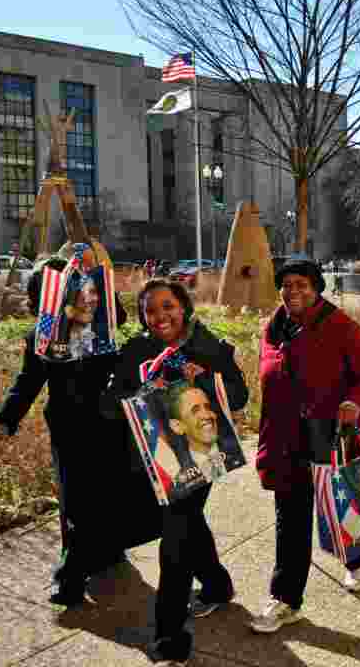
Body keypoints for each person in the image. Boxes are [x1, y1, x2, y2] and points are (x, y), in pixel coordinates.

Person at [105, 279, 248, 665]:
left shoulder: (209, 346)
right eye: (151, 311)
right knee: (186, 524)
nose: (160, 317)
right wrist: (141, 389)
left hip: (202, 455)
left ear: (183, 306)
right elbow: (111, 399)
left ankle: (170, 639)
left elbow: (238, 394)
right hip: (158, 459)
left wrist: (201, 379)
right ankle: (217, 586)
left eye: (168, 306)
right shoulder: (138, 348)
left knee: (176, 535)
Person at [251, 258, 360, 634]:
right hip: (286, 441)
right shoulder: (274, 328)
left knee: (343, 511)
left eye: (302, 284)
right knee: (290, 522)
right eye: (287, 284)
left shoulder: (340, 326)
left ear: (317, 288)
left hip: (330, 437)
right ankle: (286, 599)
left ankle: (356, 560)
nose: (293, 291)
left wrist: (357, 402)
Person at [0, 256, 129, 606]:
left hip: (109, 424)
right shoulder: (41, 338)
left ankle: (109, 552)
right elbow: (28, 381)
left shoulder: (104, 327)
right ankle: (70, 576)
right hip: (68, 429)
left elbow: (120, 315)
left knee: (106, 494)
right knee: (73, 500)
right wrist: (6, 419)